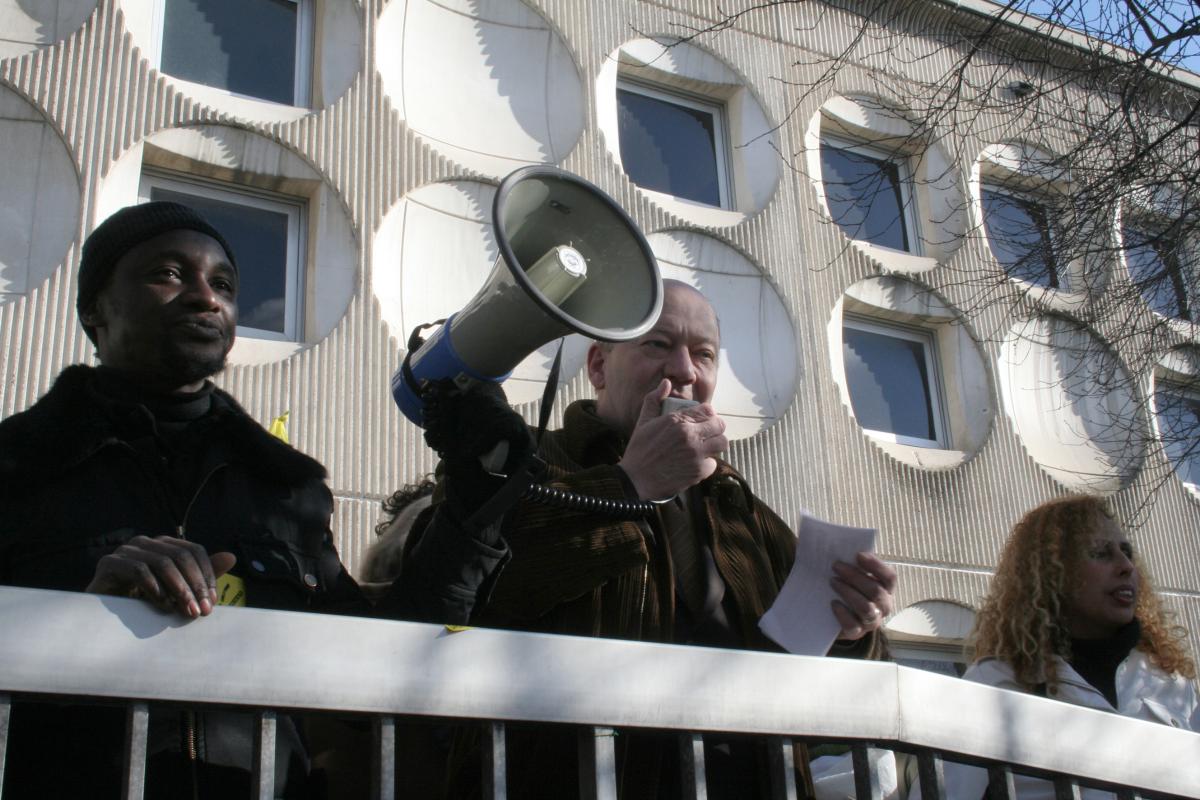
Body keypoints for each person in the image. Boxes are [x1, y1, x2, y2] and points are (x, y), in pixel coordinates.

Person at [0, 202, 511, 798]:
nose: (204, 297)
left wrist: (479, 495)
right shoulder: (17, 467)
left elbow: (372, 668)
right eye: (167, 274)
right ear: (94, 309)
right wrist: (83, 624)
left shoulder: (288, 491)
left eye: (224, 284)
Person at [415, 279, 898, 798]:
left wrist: (853, 630)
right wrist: (628, 485)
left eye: (704, 355)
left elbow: (813, 672)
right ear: (598, 366)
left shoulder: (740, 507)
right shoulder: (521, 464)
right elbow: (459, 595)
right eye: (658, 345)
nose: (685, 371)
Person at [920, 495, 1198, 800]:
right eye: (1101, 553)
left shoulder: (1171, 683)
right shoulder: (996, 684)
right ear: (1053, 574)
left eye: (1127, 552)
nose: (1126, 566)